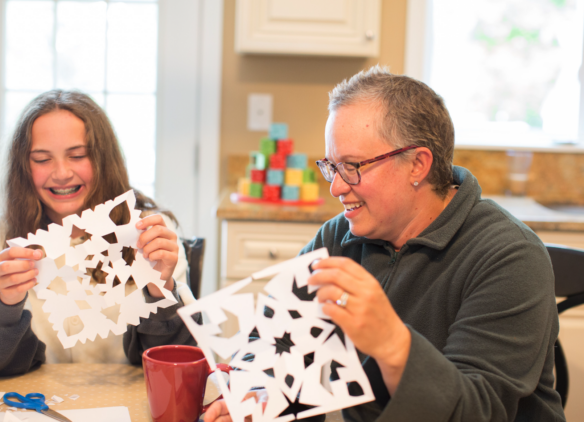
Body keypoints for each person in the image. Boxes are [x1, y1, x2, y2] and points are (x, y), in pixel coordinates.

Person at [205, 66, 566, 421]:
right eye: (331, 166)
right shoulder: (338, 238)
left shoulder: (510, 257)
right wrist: (261, 394)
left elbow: (479, 412)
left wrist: (393, 343)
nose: (336, 187)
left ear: (417, 165)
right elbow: (268, 344)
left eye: (353, 165)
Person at [0, 90, 198, 377]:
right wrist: (5, 305)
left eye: (77, 155)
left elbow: (177, 363)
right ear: (23, 166)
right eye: (42, 159)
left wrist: (160, 288)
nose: (61, 173)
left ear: (103, 160)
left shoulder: (150, 233)